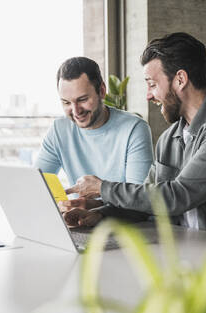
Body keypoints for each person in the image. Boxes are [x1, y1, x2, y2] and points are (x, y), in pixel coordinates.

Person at [63, 33, 206, 243]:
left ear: (180, 80)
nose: (148, 95)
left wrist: (103, 188)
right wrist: (100, 215)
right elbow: (149, 202)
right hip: (188, 251)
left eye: (152, 84)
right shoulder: (170, 138)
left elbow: (178, 196)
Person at [34, 56, 154, 211]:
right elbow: (37, 185)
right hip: (80, 224)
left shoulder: (134, 128)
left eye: (82, 99)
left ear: (102, 91)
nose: (76, 111)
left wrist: (95, 206)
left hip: (127, 227)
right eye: (66, 103)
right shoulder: (59, 129)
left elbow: (138, 200)